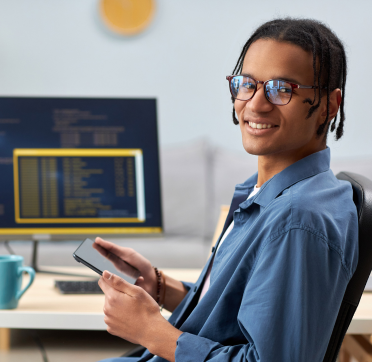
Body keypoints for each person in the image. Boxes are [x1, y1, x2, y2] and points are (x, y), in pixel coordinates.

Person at [96, 18, 358, 362]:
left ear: (329, 105)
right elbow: (237, 313)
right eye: (247, 84)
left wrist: (150, 330)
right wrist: (161, 287)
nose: (256, 104)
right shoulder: (267, 194)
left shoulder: (297, 220)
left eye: (283, 89)